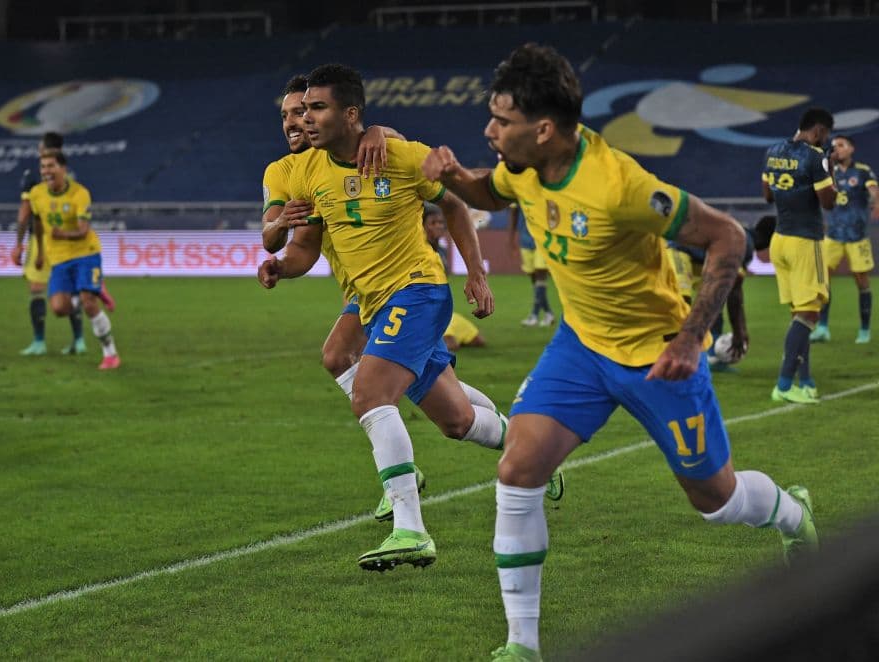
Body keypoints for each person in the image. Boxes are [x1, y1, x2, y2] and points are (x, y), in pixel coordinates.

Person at [422, 43, 818, 662]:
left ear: (543, 129)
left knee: (714, 501)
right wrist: (452, 176)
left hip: (657, 357)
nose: (489, 131)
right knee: (518, 469)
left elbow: (727, 236)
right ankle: (522, 645)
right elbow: (491, 193)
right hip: (580, 348)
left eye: (501, 120)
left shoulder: (620, 186)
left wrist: (690, 337)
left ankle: (793, 514)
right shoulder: (523, 167)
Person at [260, 75, 556, 524]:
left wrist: (379, 131)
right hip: (364, 293)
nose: (296, 122)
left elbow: (410, 160)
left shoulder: (373, 149)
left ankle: (405, 510)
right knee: (455, 419)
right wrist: (279, 253)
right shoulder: (289, 172)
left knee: (361, 379)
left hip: (409, 286)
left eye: (305, 111)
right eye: (288, 115)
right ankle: (524, 446)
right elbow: (294, 244)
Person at [762, 108, 836, 403]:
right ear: (818, 131)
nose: (825, 140)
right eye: (825, 135)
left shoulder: (772, 152)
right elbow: (828, 202)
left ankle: (805, 381)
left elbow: (767, 195)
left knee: (799, 315)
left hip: (779, 239)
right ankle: (783, 385)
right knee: (809, 314)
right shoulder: (815, 157)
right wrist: (828, 168)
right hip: (805, 241)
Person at [28, 151, 120, 370]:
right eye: (43, 167)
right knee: (59, 308)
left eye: (51, 166)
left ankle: (110, 354)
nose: (46, 171)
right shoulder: (36, 194)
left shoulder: (79, 193)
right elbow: (38, 223)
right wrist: (39, 252)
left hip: (85, 253)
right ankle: (94, 289)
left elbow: (83, 230)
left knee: (89, 304)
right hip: (58, 259)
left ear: (63, 169)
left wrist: (62, 234)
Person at [666, 216, 775, 369]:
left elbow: (730, 290)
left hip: (696, 259)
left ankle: (712, 357)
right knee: (681, 306)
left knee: (715, 301)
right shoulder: (743, 243)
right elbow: (735, 294)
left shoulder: (741, 236)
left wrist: (740, 330)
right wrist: (739, 331)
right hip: (680, 252)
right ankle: (672, 356)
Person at [14, 133, 84, 355]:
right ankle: (78, 340)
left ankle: (40, 342)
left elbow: (24, 212)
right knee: (68, 289)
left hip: (49, 238)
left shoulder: (34, 174)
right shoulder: (68, 174)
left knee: (38, 289)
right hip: (64, 238)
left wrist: (18, 243)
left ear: (44, 149)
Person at [811, 134, 876, 344]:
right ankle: (822, 328)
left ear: (851, 149)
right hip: (833, 235)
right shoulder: (829, 172)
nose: (836, 149)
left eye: (841, 145)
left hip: (857, 236)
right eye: (834, 146)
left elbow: (874, 191)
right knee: (823, 281)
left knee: (862, 282)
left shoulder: (863, 171)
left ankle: (864, 330)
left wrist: (875, 201)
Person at [423, 204, 487, 351]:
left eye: (441, 222)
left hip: (443, 311)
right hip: (425, 311)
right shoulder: (420, 252)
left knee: (478, 340)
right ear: (422, 226)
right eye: (433, 223)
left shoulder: (442, 251)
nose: (438, 226)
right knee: (451, 344)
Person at [507, 202, 555, 327]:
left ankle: (534, 315)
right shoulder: (518, 194)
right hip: (525, 240)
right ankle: (548, 313)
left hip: (543, 241)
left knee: (540, 275)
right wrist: (511, 239)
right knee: (535, 280)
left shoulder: (545, 193)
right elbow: (513, 214)